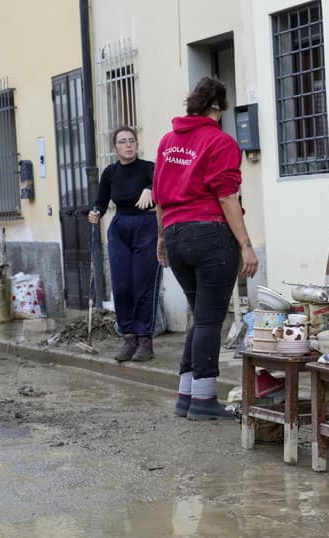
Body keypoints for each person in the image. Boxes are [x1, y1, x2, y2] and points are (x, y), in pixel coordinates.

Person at [153, 77, 258, 420]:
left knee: (201, 315)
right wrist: (245, 245)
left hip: (176, 234)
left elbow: (159, 195)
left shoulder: (168, 142)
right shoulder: (220, 142)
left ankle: (187, 395)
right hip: (210, 235)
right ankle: (204, 401)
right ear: (218, 108)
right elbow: (227, 196)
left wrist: (161, 238)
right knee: (211, 319)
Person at [89, 126, 161, 363]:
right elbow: (101, 200)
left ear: (137, 144)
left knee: (144, 284)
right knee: (122, 285)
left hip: (146, 225)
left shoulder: (149, 168)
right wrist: (96, 212)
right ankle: (129, 338)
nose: (128, 145)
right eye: (122, 141)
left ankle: (145, 340)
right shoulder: (110, 172)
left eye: (132, 141)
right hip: (120, 227)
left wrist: (150, 190)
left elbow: (163, 190)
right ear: (115, 147)